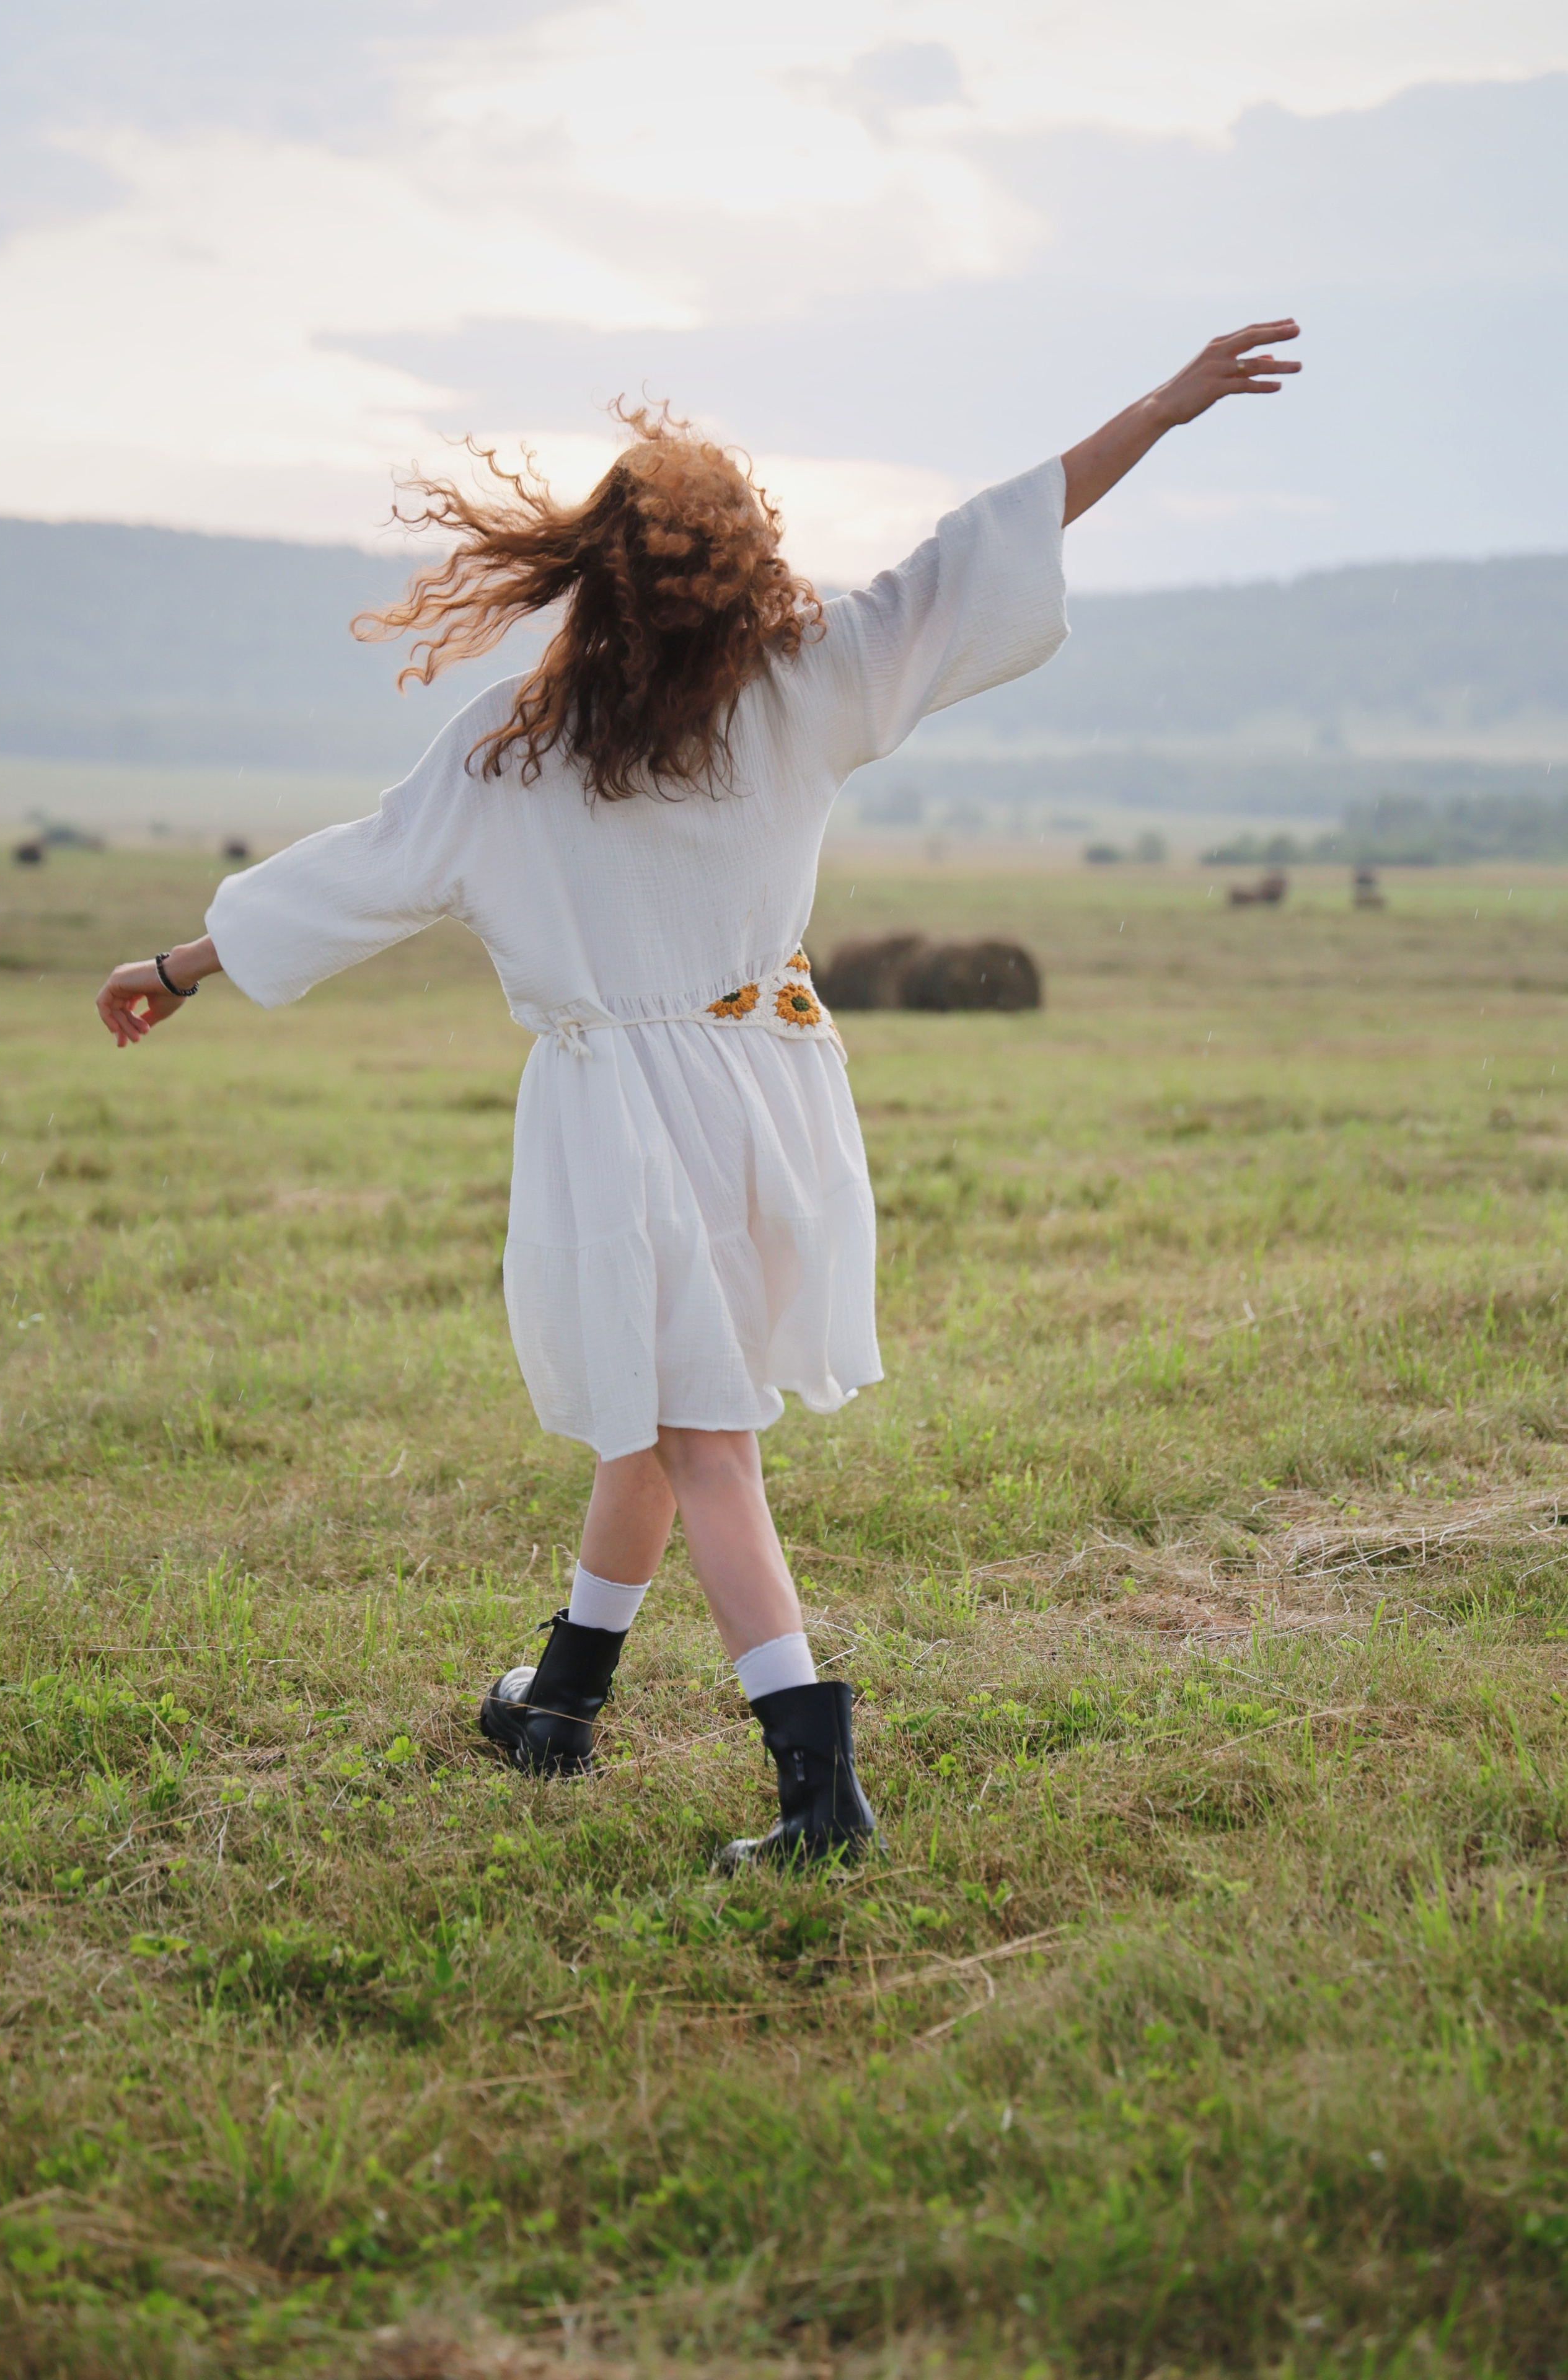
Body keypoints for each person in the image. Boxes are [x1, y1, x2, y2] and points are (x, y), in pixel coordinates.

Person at [95, 322, 1300, 1867]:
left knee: (699, 1435)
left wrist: (180, 964)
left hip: (624, 1117)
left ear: (589, 575)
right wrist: (1157, 408)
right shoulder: (812, 684)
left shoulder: (511, 751)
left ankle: (818, 1795)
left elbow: (362, 875)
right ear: (746, 570)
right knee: (659, 1411)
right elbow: (976, 551)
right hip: (776, 1090)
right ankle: (561, 1702)